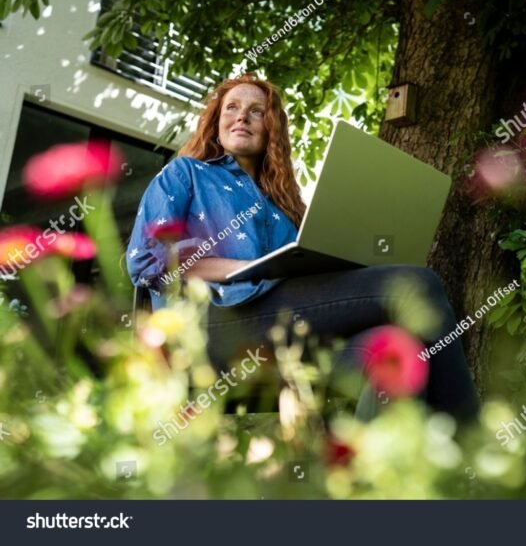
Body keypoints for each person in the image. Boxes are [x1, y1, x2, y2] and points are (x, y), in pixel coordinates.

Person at [126, 73, 479, 421]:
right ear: (217, 122)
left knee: (396, 349)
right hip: (211, 327)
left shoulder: (287, 209)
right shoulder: (186, 174)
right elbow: (146, 261)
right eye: (231, 108)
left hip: (283, 336)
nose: (242, 117)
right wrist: (239, 268)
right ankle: (473, 449)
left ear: (272, 128)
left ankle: (383, 474)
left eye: (256, 111)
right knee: (416, 285)